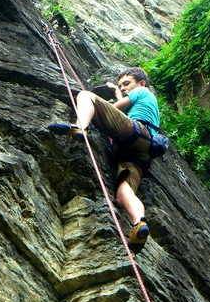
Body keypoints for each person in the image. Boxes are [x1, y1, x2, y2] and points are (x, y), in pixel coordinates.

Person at [48, 67, 160, 254]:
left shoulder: (142, 90)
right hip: (141, 152)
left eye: (126, 84)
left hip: (136, 132)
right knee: (124, 193)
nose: (122, 88)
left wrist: (100, 108)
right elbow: (125, 107)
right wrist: (117, 92)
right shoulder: (145, 101)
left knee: (86, 96)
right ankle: (139, 222)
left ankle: (80, 127)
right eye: (120, 85)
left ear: (141, 83)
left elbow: (114, 110)